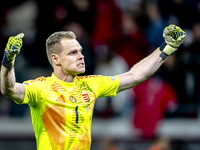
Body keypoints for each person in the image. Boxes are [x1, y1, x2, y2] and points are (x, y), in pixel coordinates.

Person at [0, 24, 186, 150]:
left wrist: (166, 48)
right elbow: (10, 89)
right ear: (56, 59)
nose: (81, 56)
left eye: (80, 51)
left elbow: (135, 76)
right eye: (73, 53)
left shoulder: (91, 84)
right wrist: (8, 62)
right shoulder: (41, 88)